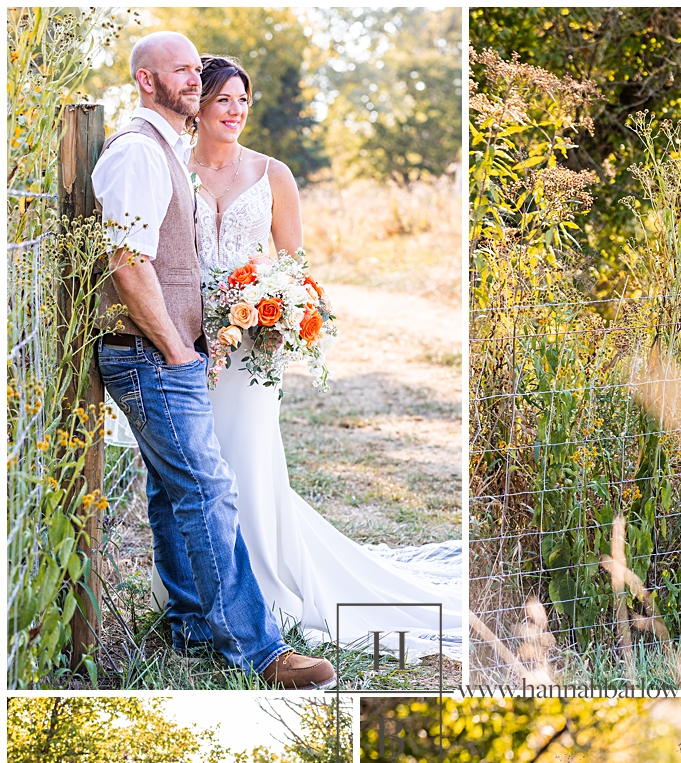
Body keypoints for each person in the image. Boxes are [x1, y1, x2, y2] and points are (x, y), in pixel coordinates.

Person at [187, 56, 465, 658]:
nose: (235, 111)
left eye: (242, 101)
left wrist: (279, 309)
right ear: (199, 105)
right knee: (194, 471)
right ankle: (197, 596)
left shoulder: (272, 175)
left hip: (253, 346)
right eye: (223, 100)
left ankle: (261, 590)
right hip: (185, 342)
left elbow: (294, 266)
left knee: (248, 463)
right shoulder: (173, 170)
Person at [91, 33, 335, 688]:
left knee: (173, 497)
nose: (195, 79)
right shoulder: (139, 152)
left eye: (197, 68)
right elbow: (127, 261)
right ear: (146, 80)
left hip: (178, 350)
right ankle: (259, 652)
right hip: (153, 352)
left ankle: (191, 626)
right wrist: (176, 346)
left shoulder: (164, 149)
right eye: (181, 70)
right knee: (208, 491)